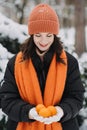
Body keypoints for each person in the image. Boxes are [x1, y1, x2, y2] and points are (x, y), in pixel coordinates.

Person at [0, 3, 84, 130]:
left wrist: (61, 111)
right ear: (31, 34)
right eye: (38, 35)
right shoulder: (15, 63)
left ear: (55, 35)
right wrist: (29, 112)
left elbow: (76, 97)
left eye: (49, 35)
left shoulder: (69, 62)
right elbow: (6, 100)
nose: (43, 41)